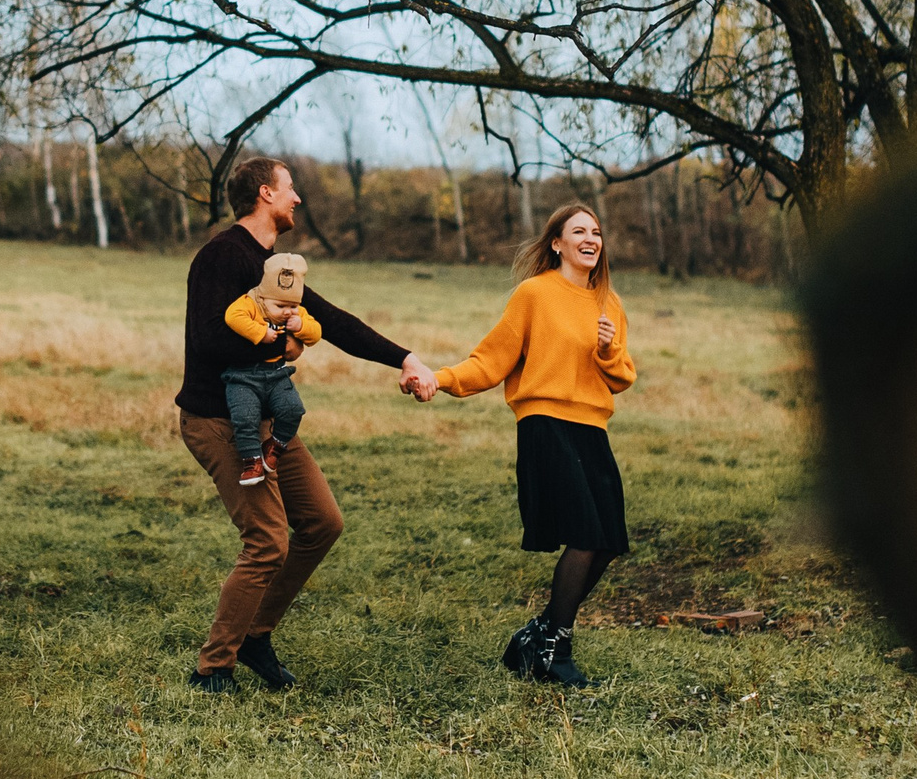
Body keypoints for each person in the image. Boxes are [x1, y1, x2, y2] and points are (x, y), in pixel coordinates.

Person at [177, 157, 439, 694]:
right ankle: (212, 668)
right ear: (266, 193)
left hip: (267, 421)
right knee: (268, 540)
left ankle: (255, 634)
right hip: (219, 421)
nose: (298, 200)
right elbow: (207, 338)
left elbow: (334, 320)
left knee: (322, 522)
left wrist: (406, 358)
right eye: (290, 189)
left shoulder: (275, 266)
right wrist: (282, 341)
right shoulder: (220, 256)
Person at [424, 204, 634, 687]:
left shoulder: (610, 303)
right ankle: (554, 650)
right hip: (546, 422)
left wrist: (607, 350)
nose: (591, 238)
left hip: (592, 427)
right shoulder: (534, 293)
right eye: (578, 230)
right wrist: (441, 378)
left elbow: (622, 377)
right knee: (584, 534)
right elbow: (491, 359)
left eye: (597, 231)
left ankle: (536, 636)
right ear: (557, 243)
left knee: (606, 542)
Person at [221, 250, 321, 486]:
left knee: (293, 409)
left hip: (277, 374)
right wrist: (260, 332)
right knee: (245, 417)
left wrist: (301, 325)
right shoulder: (250, 303)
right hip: (243, 376)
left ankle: (275, 445)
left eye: (293, 306)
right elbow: (231, 316)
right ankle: (251, 460)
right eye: (280, 306)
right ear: (263, 297)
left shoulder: (295, 313)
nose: (287, 312)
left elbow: (316, 333)